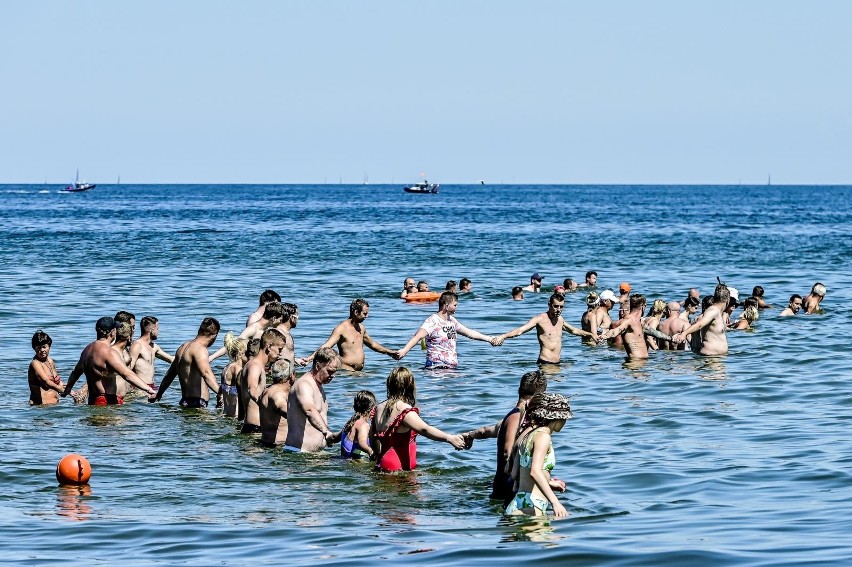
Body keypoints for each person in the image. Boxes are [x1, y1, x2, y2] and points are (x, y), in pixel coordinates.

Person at [461, 370, 548, 502]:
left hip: (504, 486)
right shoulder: (516, 417)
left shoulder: (512, 417)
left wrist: (470, 435)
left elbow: (486, 431)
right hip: (508, 489)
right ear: (541, 396)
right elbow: (508, 453)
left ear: (519, 390)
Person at [371, 367, 466, 471]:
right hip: (398, 466)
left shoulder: (379, 408)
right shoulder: (404, 409)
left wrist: (377, 455)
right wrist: (449, 438)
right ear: (409, 386)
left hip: (382, 463)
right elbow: (425, 429)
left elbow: (372, 437)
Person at [505, 392, 572, 517]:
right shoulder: (544, 437)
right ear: (557, 418)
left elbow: (515, 474)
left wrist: (548, 482)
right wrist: (555, 502)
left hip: (517, 504)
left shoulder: (527, 435)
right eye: (565, 418)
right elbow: (535, 471)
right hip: (532, 506)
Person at [63, 317, 156, 405]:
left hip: (92, 399)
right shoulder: (108, 352)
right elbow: (127, 374)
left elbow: (75, 373)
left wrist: (68, 389)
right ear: (112, 332)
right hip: (107, 400)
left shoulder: (87, 350)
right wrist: (149, 389)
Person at [396, 291, 495, 369]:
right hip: (436, 366)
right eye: (455, 305)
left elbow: (469, 333)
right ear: (446, 306)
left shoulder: (451, 320)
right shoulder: (432, 321)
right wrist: (405, 350)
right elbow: (418, 336)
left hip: (451, 366)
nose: (457, 307)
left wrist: (489, 339)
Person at [492, 293, 595, 364]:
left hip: (558, 363)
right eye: (556, 306)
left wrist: (591, 334)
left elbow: (573, 330)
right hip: (545, 363)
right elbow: (520, 330)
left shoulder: (560, 320)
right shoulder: (540, 319)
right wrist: (503, 336)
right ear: (549, 305)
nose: (558, 309)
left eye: (561, 307)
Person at [300, 299, 397, 371]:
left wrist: (390, 352)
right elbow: (326, 346)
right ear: (356, 312)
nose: (367, 316)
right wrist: (310, 358)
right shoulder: (341, 328)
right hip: (346, 371)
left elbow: (373, 344)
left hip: (358, 372)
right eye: (365, 313)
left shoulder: (361, 328)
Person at [153, 317, 222, 408]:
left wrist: (159, 394)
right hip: (197, 403)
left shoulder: (182, 348)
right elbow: (206, 373)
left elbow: (169, 375)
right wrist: (221, 393)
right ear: (214, 336)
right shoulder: (200, 349)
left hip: (184, 401)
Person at [284, 347, 339, 452]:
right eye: (330, 371)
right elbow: (309, 410)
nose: (333, 376)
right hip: (298, 453)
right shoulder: (304, 385)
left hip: (313, 455)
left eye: (334, 372)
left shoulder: (318, 386)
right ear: (318, 366)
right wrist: (326, 432)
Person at [239, 328, 285, 433]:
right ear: (269, 347)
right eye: (279, 349)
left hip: (253, 427)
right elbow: (252, 388)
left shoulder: (256, 365)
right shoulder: (255, 366)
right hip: (254, 429)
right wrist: (268, 406)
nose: (280, 353)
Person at [673, 283, 730, 356]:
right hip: (711, 358)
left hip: (716, 358)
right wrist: (683, 334)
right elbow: (700, 324)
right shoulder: (713, 311)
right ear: (728, 300)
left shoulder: (716, 312)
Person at [258, 342, 294, 447]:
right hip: (278, 447)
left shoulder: (267, 390)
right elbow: (281, 407)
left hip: (266, 443)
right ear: (291, 376)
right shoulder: (278, 395)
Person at [129, 316, 174, 392]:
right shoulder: (137, 346)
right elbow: (128, 369)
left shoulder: (154, 347)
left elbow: (171, 359)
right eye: (157, 329)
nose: (158, 332)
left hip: (151, 387)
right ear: (152, 330)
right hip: (139, 388)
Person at [600, 294, 652, 360]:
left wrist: (668, 338)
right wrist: (605, 336)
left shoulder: (639, 321)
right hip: (634, 363)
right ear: (643, 306)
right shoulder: (629, 321)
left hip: (643, 362)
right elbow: (616, 330)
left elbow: (653, 332)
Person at [335, 390, 377, 459]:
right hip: (354, 461)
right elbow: (362, 443)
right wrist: (371, 451)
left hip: (343, 459)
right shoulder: (363, 425)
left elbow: (336, 438)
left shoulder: (350, 422)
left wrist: (329, 438)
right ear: (372, 408)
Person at [28, 330, 65, 405]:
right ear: (34, 348)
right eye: (38, 347)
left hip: (55, 405)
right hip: (40, 407)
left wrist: (71, 392)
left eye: (44, 347)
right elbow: (46, 381)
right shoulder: (35, 363)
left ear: (49, 346)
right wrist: (60, 389)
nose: (42, 350)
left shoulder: (50, 361)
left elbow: (57, 382)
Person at [218, 332, 247, 417]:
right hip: (237, 414)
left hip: (226, 414)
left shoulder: (226, 368)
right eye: (248, 352)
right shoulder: (237, 369)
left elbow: (220, 392)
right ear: (241, 353)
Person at [270, 302, 299, 383]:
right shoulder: (278, 333)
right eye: (297, 316)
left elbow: (284, 353)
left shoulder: (287, 333)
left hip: (289, 376)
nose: (298, 319)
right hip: (282, 376)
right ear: (291, 317)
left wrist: (296, 360)